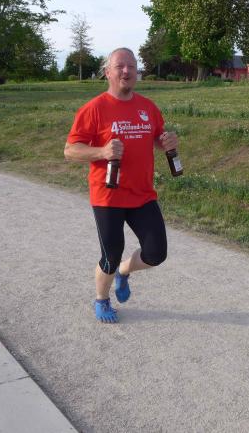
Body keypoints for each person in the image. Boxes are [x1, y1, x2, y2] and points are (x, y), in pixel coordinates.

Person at [64, 47, 179, 323]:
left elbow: (157, 137)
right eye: (120, 66)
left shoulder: (148, 107)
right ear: (108, 73)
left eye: (131, 66)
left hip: (142, 194)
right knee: (110, 255)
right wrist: (101, 152)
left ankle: (124, 272)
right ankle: (101, 299)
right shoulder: (93, 109)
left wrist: (167, 142)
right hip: (108, 195)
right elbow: (70, 150)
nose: (126, 71)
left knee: (156, 253)